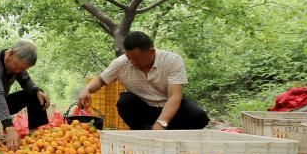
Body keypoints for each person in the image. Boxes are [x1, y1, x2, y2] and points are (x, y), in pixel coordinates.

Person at [78, 31, 209, 130]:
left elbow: (175, 97)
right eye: (129, 57)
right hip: (144, 108)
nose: (132, 62)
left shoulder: (172, 60)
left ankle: (171, 134)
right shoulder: (122, 63)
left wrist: (161, 123)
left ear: (151, 52)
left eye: (136, 58)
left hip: (170, 108)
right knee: (125, 102)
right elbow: (101, 80)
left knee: (198, 116)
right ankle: (141, 132)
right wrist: (87, 89)